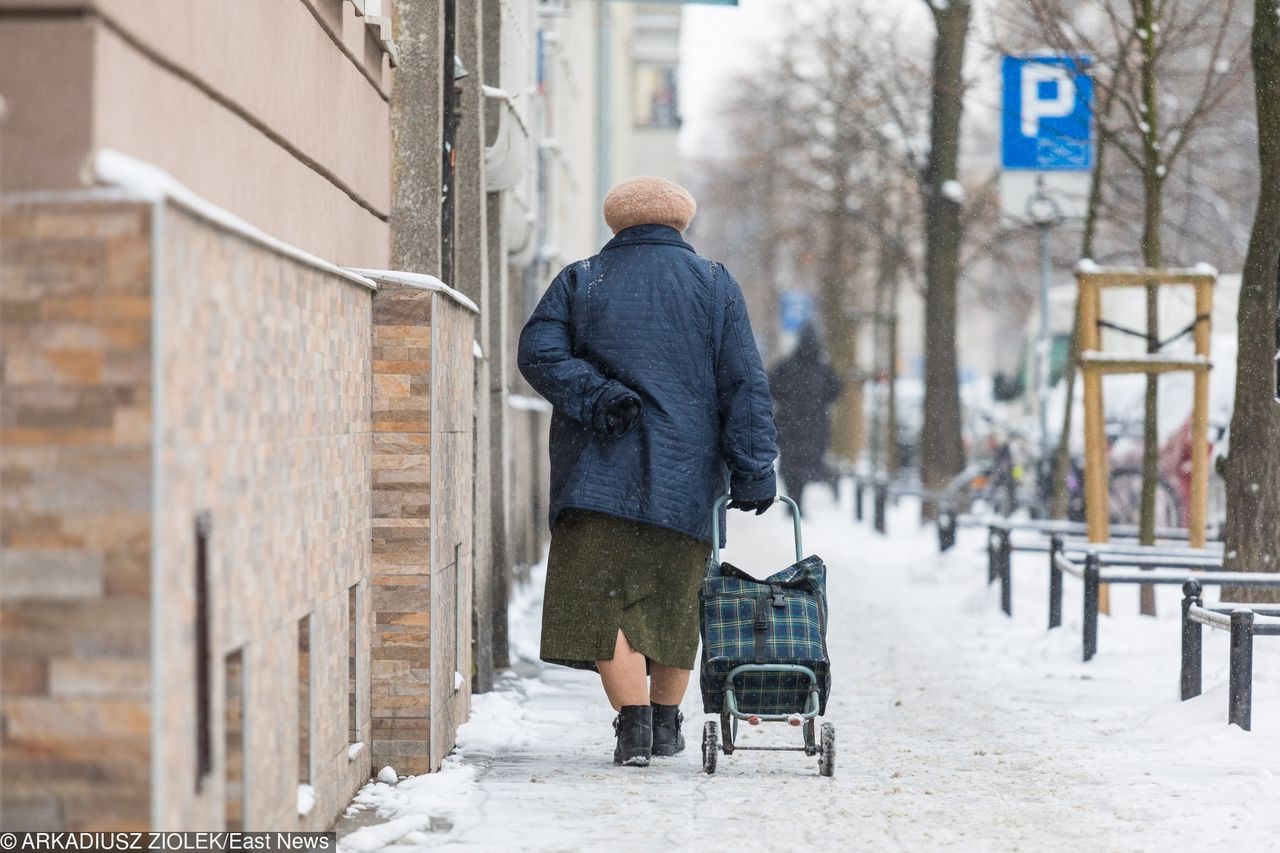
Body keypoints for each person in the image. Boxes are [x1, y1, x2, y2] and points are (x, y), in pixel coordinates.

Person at [518, 176, 778, 767]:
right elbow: (745, 384)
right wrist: (754, 468)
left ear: (617, 223)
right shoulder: (715, 285)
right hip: (687, 482)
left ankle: (633, 729)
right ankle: (665, 726)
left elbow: (537, 352)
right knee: (675, 604)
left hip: (596, 481)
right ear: (679, 222)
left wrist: (600, 397)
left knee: (601, 604)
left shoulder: (582, 280)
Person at [767, 324, 843, 516]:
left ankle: (794, 500)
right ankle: (797, 502)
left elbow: (770, 385)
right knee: (806, 464)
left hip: (790, 424)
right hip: (813, 425)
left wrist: (786, 402)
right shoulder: (822, 368)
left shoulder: (787, 366)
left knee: (792, 464)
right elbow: (835, 389)